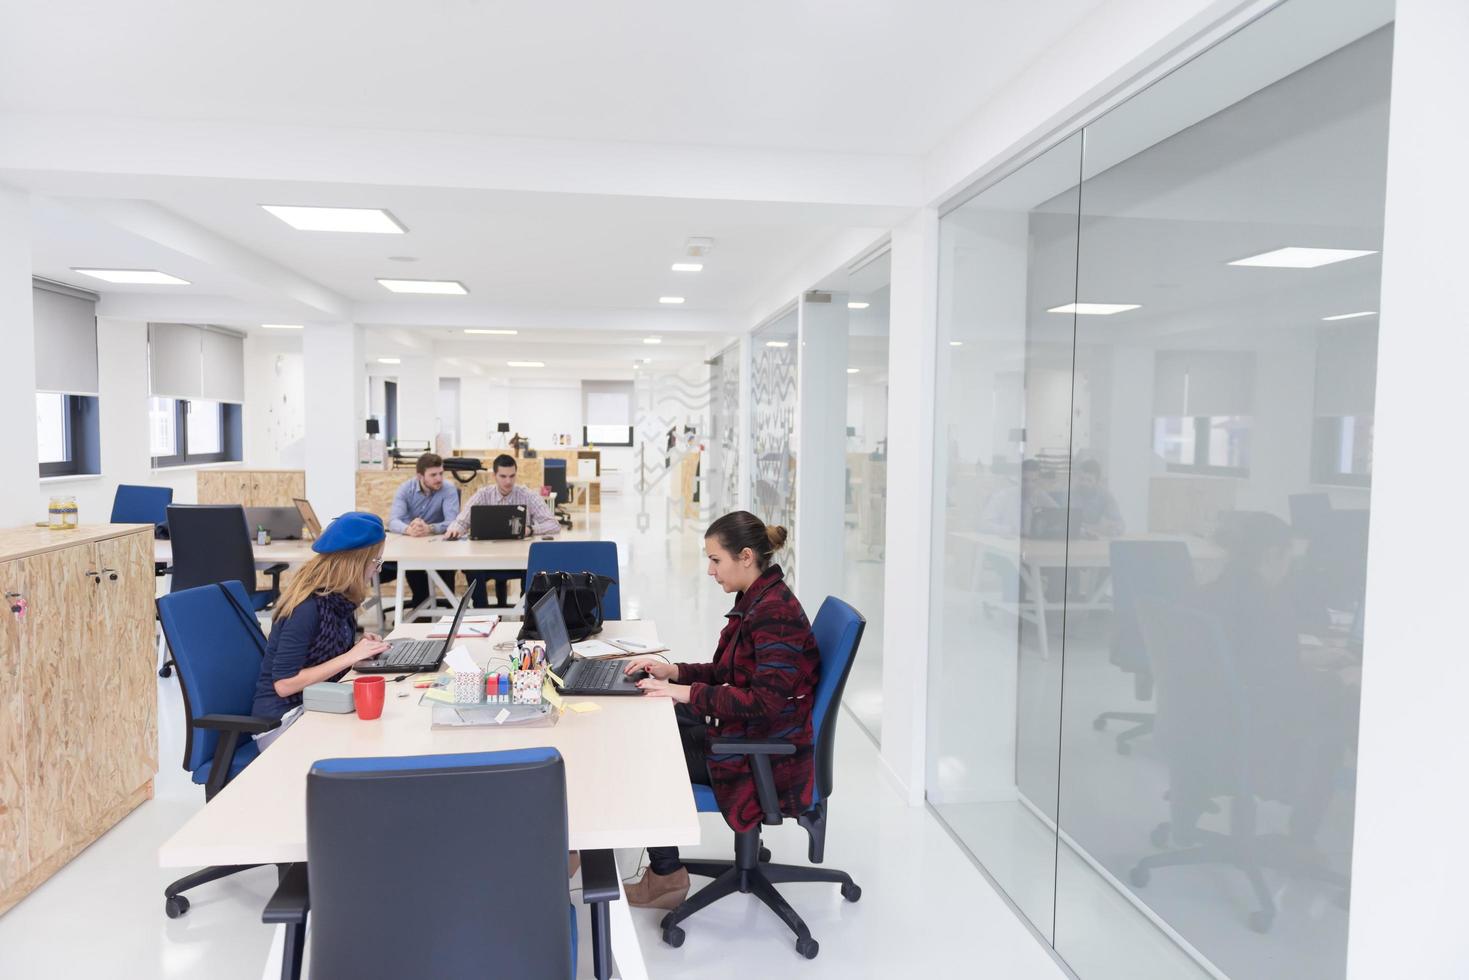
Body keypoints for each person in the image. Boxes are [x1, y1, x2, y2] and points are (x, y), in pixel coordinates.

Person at [617, 511, 821, 909]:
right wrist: (673, 672)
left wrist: (685, 692)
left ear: (745, 556)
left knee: (647, 753)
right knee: (658, 718)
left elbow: (764, 702)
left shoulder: (774, 615)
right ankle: (659, 867)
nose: (710, 571)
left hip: (767, 752)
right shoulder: (758, 598)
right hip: (753, 733)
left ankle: (665, 876)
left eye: (715, 560)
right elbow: (730, 671)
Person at [251, 512, 391, 748]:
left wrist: (360, 649)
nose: (377, 570)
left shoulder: (338, 598)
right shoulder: (306, 608)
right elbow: (284, 685)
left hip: (318, 701)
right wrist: (350, 657)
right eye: (376, 562)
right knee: (371, 740)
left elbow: (324, 654)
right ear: (355, 562)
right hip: (282, 721)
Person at [444, 454, 561, 606]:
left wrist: (530, 529)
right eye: (503, 476)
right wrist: (454, 530)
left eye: (512, 476)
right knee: (472, 569)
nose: (508, 481)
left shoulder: (527, 495)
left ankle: (524, 614)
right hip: (487, 558)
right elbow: (461, 521)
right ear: (494, 475)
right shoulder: (483, 495)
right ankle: (482, 613)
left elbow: (553, 524)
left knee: (533, 569)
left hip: (519, 559)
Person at [384, 452, 462, 610]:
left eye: (441, 473)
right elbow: (393, 521)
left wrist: (430, 528)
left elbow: (452, 522)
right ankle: (420, 609)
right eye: (433, 475)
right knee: (413, 563)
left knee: (446, 564)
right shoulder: (405, 489)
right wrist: (408, 529)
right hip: (411, 545)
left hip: (440, 546)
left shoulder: (448, 489)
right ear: (420, 476)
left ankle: (450, 611)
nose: (439, 478)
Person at [1070, 458, 1125, 538]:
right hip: (1076, 542)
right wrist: (1098, 528)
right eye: (1081, 479)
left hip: (1098, 543)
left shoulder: (1106, 496)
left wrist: (1111, 529)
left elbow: (1120, 525)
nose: (1084, 483)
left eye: (1089, 480)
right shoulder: (1072, 494)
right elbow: (1068, 525)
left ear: (1097, 482)